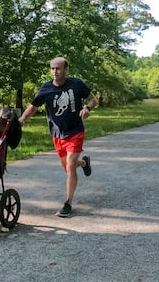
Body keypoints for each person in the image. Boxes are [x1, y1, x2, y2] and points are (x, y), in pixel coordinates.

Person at [18, 57, 97, 217]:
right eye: (52, 68)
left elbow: (92, 99)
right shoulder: (46, 88)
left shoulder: (76, 84)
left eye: (58, 68)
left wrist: (87, 108)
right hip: (57, 134)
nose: (55, 71)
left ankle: (68, 203)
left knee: (69, 165)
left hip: (75, 131)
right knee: (68, 167)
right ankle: (84, 163)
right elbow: (33, 107)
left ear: (66, 70)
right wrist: (21, 120)